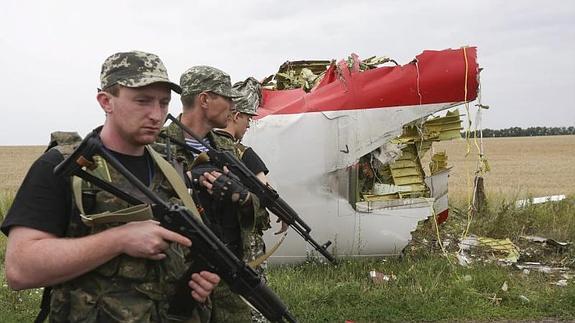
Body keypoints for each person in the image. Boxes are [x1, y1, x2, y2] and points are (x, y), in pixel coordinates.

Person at [1, 51, 220, 323]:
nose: (156, 114)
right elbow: (20, 268)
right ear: (106, 101)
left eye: (164, 103)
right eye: (143, 101)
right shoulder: (64, 166)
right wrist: (119, 240)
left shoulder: (172, 168)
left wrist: (197, 281)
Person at [158, 66, 265, 322]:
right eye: (227, 98)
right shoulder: (158, 146)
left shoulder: (230, 150)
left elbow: (260, 208)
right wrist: (186, 182)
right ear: (205, 100)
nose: (233, 105)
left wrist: (243, 197)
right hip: (178, 276)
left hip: (227, 268)